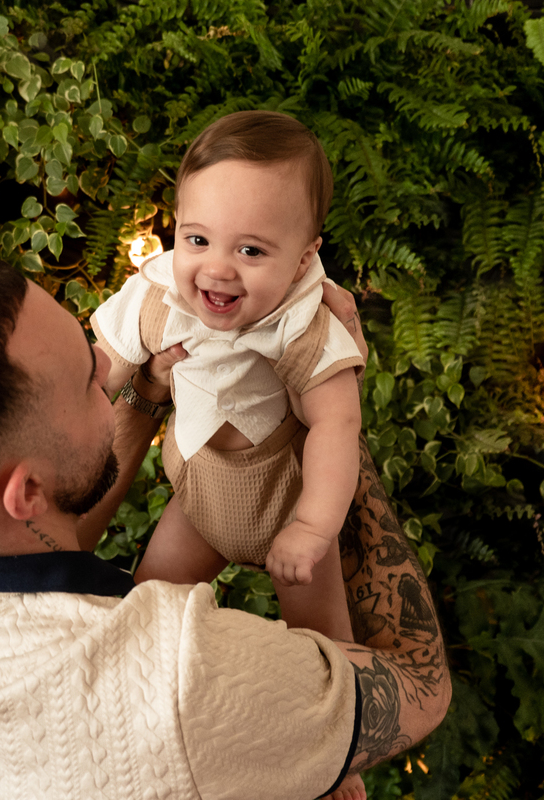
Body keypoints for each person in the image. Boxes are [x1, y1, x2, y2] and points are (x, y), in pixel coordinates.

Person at [0, 256, 451, 799]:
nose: (103, 359)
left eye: (87, 340)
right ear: (26, 491)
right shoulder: (184, 682)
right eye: (86, 380)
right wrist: (332, 423)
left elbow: (35, 533)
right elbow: (420, 685)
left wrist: (145, 390)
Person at [91, 110, 367, 797]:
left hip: (286, 505)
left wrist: (313, 527)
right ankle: (132, 719)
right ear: (175, 229)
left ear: (303, 258)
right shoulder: (157, 297)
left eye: (251, 251)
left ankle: (343, 763)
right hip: (200, 503)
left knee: (329, 656)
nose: (216, 268)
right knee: (145, 607)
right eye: (198, 239)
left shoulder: (306, 325)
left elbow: (337, 425)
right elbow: (101, 367)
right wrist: (103, 385)